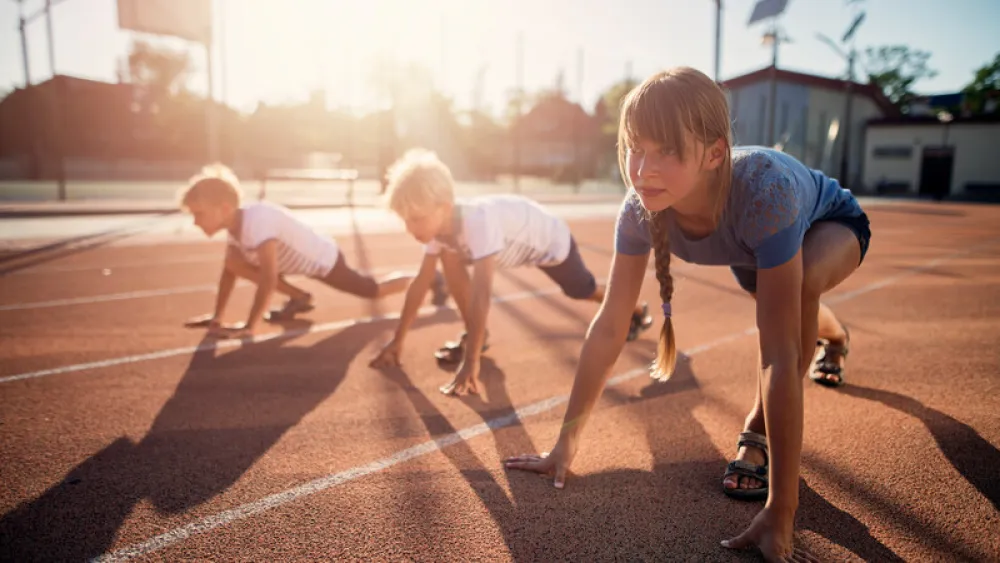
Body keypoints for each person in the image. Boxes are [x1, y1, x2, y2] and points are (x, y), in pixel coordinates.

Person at [504, 67, 871, 561]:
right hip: (755, 250)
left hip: (830, 224)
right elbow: (611, 324)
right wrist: (563, 445)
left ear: (715, 152)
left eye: (668, 151)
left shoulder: (766, 194)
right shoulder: (639, 210)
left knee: (797, 296)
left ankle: (756, 430)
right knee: (785, 299)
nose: (644, 169)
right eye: (636, 147)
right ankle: (836, 334)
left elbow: (778, 356)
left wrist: (782, 509)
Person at [368, 148, 654, 395]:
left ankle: (634, 311)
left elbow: (482, 293)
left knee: (581, 291)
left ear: (444, 208)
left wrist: (471, 361)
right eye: (406, 220)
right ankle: (476, 335)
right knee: (448, 258)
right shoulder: (437, 231)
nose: (411, 229)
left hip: (550, 242)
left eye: (416, 219)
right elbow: (421, 282)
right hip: (518, 241)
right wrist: (398, 340)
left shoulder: (476, 222)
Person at [178, 163, 446, 338]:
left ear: (224, 209)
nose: (195, 221)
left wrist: (250, 326)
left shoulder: (257, 222)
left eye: (199, 213)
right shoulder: (235, 229)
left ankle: (431, 278)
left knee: (372, 291)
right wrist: (217, 318)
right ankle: (300, 298)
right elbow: (229, 273)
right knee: (233, 263)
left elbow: (269, 278)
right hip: (297, 264)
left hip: (324, 260)